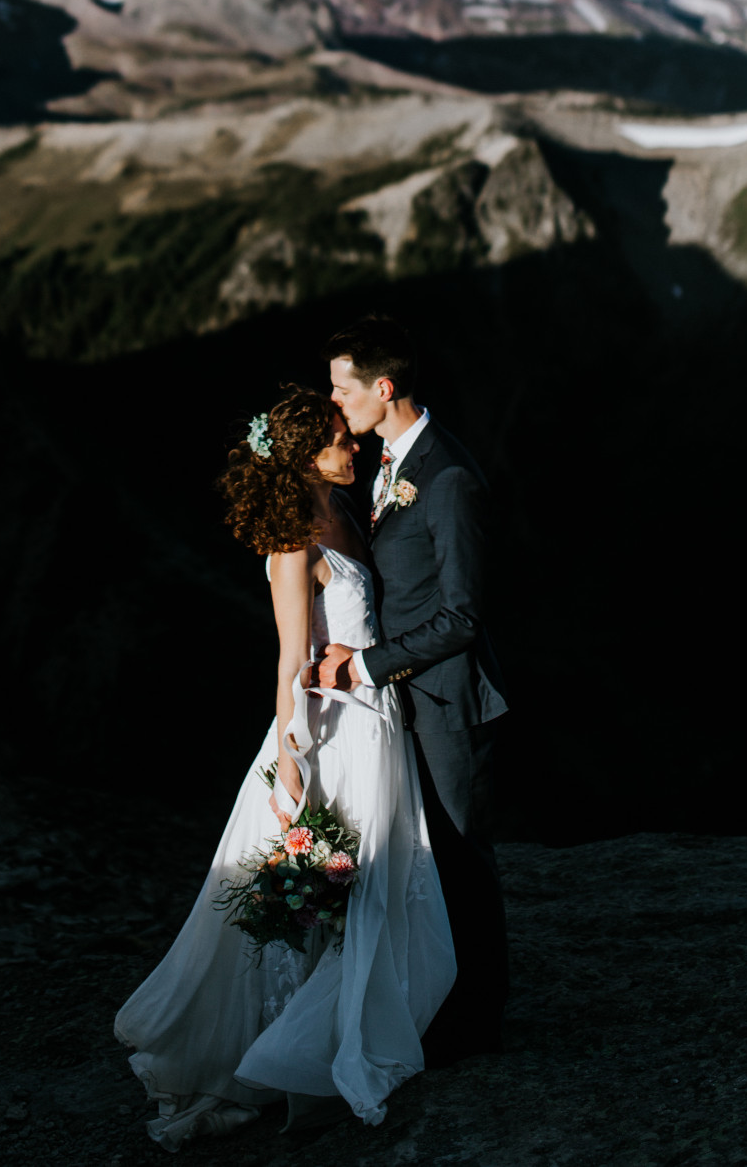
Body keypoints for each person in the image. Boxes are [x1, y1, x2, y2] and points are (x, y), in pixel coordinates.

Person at [115, 385, 455, 1151]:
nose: (354, 448)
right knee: (331, 899)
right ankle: (291, 1055)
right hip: (333, 738)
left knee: (361, 895)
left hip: (373, 729)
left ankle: (320, 1039)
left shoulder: (345, 514)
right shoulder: (292, 542)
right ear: (306, 456)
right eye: (339, 439)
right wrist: (291, 760)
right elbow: (288, 660)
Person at [318, 315, 509, 1063]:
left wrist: (365, 666)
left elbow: (463, 615)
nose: (337, 403)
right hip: (408, 696)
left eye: (343, 387)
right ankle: (438, 999)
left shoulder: (449, 477)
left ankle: (480, 1021)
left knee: (462, 857)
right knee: (428, 858)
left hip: (447, 700)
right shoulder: (389, 464)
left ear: (383, 387)